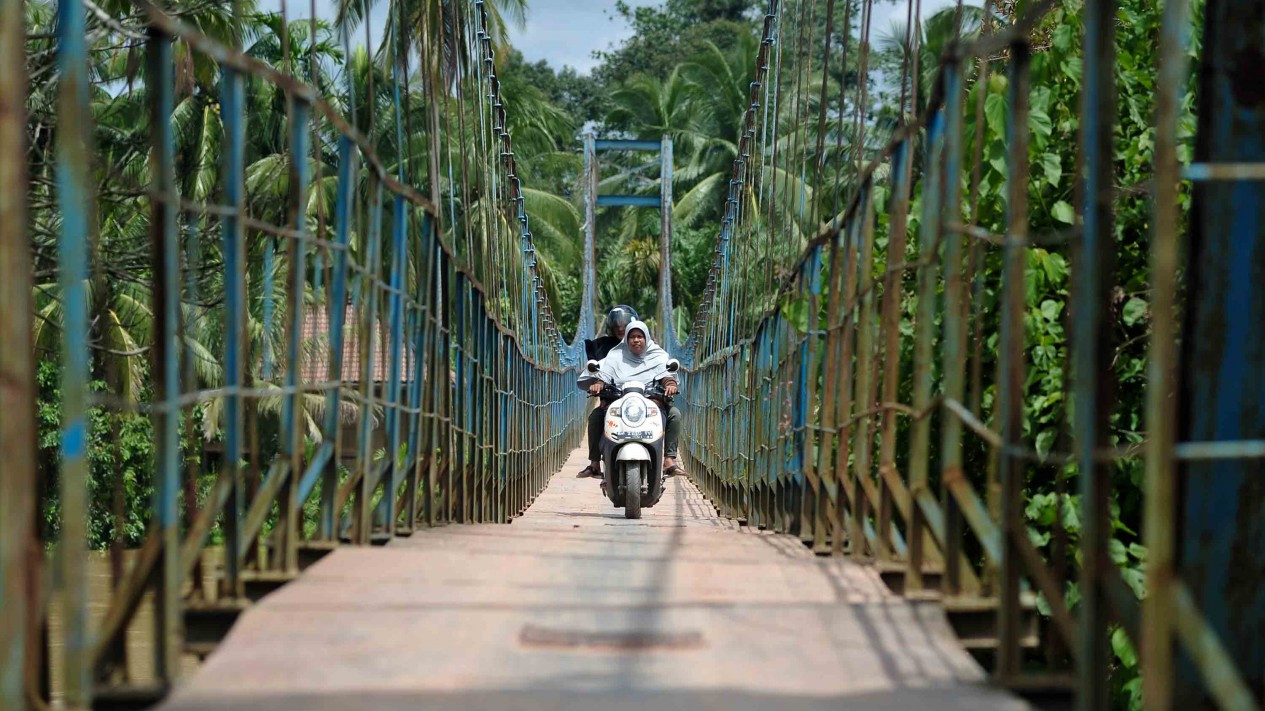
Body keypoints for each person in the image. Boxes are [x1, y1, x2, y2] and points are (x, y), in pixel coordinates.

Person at [576, 320, 684, 479]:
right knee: (595, 417)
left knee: (674, 414)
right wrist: (598, 385)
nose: (636, 340)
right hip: (620, 402)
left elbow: (667, 376)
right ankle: (594, 464)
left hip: (651, 403)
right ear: (626, 339)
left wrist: (671, 385)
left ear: (646, 338)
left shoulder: (658, 355)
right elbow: (604, 376)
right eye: (632, 336)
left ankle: (669, 459)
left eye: (640, 336)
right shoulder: (615, 356)